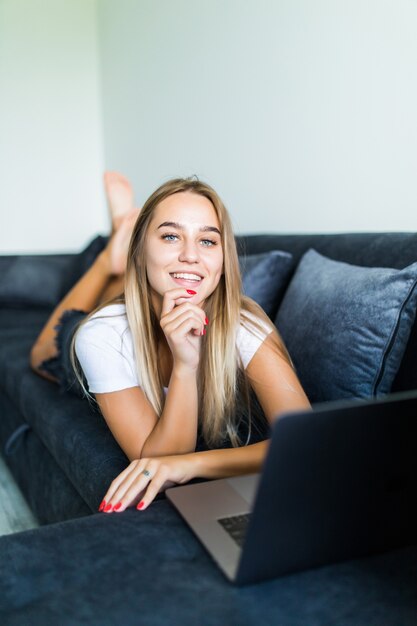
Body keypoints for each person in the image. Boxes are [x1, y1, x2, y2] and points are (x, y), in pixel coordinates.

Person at [30, 172, 310, 514]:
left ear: (223, 261)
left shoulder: (245, 325)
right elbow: (153, 460)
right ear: (141, 249)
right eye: (170, 236)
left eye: (207, 241)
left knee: (126, 296)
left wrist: (192, 464)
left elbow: (303, 443)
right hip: (105, 332)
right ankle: (110, 258)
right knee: (44, 353)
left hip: (139, 297)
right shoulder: (103, 334)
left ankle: (122, 243)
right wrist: (186, 366)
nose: (191, 255)